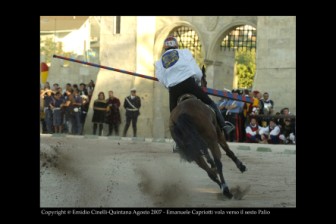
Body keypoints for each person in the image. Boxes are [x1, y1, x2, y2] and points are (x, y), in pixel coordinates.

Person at [154, 36, 234, 135]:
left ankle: (178, 142)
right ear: (176, 45)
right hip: (189, 84)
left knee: (173, 115)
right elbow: (197, 72)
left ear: (165, 47)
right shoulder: (184, 53)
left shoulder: (159, 62)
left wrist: (170, 84)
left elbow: (162, 79)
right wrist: (198, 83)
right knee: (210, 103)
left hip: (173, 89)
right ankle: (224, 125)